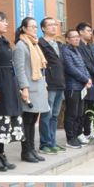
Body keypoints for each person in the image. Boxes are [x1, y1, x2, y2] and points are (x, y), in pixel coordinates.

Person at [0, 11, 24, 172]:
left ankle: (1, 154)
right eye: (2, 21)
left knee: (4, 122)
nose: (6, 23)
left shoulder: (4, 40)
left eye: (6, 21)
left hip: (9, 85)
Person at [13, 17, 50, 163]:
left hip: (38, 88)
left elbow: (41, 69)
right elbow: (19, 70)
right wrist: (24, 88)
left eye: (36, 27)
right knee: (27, 121)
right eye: (32, 27)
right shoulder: (21, 45)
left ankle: (32, 150)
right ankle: (26, 151)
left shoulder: (34, 44)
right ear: (24, 28)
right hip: (29, 90)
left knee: (33, 120)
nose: (35, 29)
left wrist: (45, 86)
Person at [38, 17, 66, 155]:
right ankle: (45, 144)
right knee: (46, 115)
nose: (54, 27)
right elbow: (40, 66)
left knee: (55, 115)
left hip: (60, 83)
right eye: (50, 25)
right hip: (49, 85)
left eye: (55, 24)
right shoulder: (40, 44)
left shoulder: (59, 44)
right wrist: (44, 86)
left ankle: (53, 142)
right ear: (43, 28)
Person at [61, 29, 92, 149]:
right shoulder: (66, 51)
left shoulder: (77, 51)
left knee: (79, 113)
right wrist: (85, 79)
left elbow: (83, 67)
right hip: (72, 87)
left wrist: (88, 79)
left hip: (81, 87)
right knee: (72, 114)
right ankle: (70, 138)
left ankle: (76, 136)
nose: (77, 39)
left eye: (78, 37)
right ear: (67, 39)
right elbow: (70, 68)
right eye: (74, 37)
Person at [76, 22, 94, 142]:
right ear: (81, 32)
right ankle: (80, 133)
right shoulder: (79, 46)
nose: (91, 33)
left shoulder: (90, 46)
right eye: (88, 31)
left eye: (91, 31)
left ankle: (88, 132)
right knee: (83, 109)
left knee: (91, 109)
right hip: (85, 81)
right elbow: (84, 62)